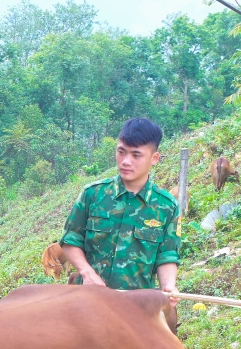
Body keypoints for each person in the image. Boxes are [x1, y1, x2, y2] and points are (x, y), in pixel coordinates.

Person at [59, 117, 180, 330]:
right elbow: (71, 240)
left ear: (154, 158)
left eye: (136, 155)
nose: (125, 161)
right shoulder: (93, 194)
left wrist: (168, 286)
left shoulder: (166, 206)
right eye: (121, 151)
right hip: (86, 303)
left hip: (137, 309)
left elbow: (167, 255)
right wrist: (87, 273)